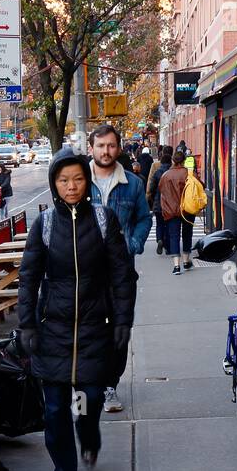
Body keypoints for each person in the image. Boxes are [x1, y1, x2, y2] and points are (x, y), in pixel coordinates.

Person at [17, 151, 136, 471]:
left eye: (78, 179)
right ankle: (64, 467)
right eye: (64, 180)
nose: (71, 187)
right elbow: (29, 277)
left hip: (94, 327)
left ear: (87, 181)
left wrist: (123, 321)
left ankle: (89, 437)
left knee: (90, 399)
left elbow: (122, 275)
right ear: (54, 184)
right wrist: (27, 323)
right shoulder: (45, 224)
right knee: (54, 408)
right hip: (53, 328)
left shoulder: (103, 220)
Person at [87, 123, 150, 414]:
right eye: (100, 146)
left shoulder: (133, 185)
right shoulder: (77, 181)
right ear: (91, 148)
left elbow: (143, 219)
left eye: (111, 145)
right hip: (85, 272)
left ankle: (110, 385)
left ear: (118, 148)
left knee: (120, 329)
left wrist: (133, 244)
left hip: (121, 272)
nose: (106, 151)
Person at [159, 153, 203, 275]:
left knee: (174, 236)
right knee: (187, 234)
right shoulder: (190, 174)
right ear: (184, 161)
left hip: (172, 210)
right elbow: (201, 186)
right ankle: (186, 261)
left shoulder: (166, 175)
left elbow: (162, 191)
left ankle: (176, 266)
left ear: (173, 161)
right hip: (188, 209)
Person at [146, 146, 174, 256]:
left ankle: (159, 239)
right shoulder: (172, 172)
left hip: (158, 203)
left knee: (159, 224)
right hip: (170, 204)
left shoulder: (157, 172)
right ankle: (167, 247)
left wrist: (151, 197)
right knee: (168, 225)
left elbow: (151, 187)